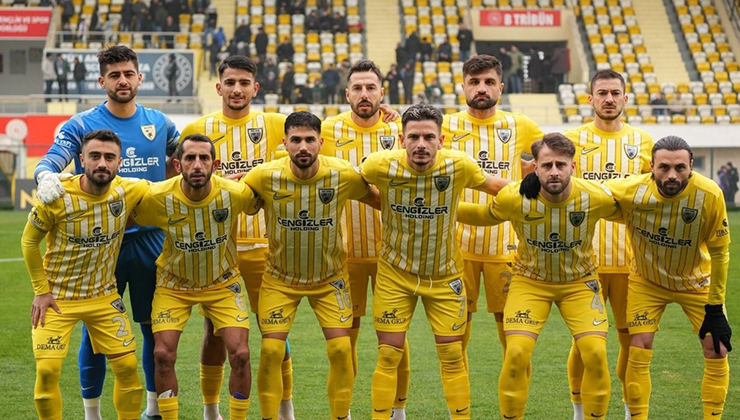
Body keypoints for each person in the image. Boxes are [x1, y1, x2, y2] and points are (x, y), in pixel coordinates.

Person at [33, 46, 180, 420]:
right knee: (96, 332)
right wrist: (45, 176)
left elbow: (187, 158)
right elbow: (52, 159)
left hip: (150, 240)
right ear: (102, 81)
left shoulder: (160, 122)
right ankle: (92, 414)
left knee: (152, 329)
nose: (123, 81)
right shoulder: (81, 124)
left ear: (139, 78)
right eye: (114, 75)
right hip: (100, 244)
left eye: (128, 74)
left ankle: (152, 409)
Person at [361, 104, 510, 420]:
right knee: (388, 354)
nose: (421, 144)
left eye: (429, 137)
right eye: (414, 137)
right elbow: (349, 182)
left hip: (444, 276)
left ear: (441, 140)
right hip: (394, 274)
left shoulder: (459, 165)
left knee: (453, 355)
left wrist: (543, 192)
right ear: (401, 139)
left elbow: (497, 187)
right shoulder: (379, 165)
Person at [458, 133, 620, 419]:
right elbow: (483, 215)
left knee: (595, 352)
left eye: (560, 164)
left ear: (573, 166)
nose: (554, 171)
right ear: (535, 167)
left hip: (580, 283)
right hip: (529, 282)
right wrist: (438, 207)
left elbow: (630, 209)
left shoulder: (594, 196)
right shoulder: (514, 196)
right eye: (547, 165)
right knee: (516, 353)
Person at [180, 55, 296, 420]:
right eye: (230, 82)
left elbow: (327, 134)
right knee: (214, 332)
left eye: (244, 83)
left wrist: (385, 115)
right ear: (219, 87)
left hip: (265, 248)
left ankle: (285, 408)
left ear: (255, 88)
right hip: (218, 251)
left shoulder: (274, 123)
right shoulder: (198, 127)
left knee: (274, 332)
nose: (236, 89)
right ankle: (211, 410)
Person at [243, 111, 380, 420]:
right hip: (280, 280)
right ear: (284, 143)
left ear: (321, 142)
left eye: (309, 140)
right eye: (296, 140)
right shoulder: (264, 175)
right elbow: (235, 196)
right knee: (271, 351)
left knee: (341, 350)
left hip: (330, 280)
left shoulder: (342, 174)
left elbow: (378, 200)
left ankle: (340, 417)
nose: (302, 147)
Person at [131, 134, 261, 420]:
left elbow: (261, 200)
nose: (198, 165)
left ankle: (218, 414)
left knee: (240, 354)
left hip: (223, 283)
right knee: (163, 355)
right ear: (178, 165)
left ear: (216, 164)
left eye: (204, 158)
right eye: (190, 158)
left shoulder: (235, 193)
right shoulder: (158, 197)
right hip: (174, 285)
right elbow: (126, 215)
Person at [22, 129, 147, 420]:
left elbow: (173, 189)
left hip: (103, 297)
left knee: (127, 368)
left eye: (109, 157)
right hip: (57, 299)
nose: (102, 163)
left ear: (119, 163)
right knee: (47, 370)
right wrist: (41, 291)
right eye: (95, 156)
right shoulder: (57, 195)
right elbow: (29, 242)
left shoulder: (129, 190)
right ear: (81, 160)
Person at [605, 136, 732, 420]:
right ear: (651, 167)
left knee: (718, 348)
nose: (672, 175)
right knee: (639, 347)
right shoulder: (631, 189)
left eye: (679, 168)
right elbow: (585, 192)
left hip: (696, 283)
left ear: (691, 166)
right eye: (664, 167)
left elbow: (720, 253)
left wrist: (715, 306)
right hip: (647, 282)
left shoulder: (710, 194)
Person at [320, 59, 409, 419]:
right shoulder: (327, 130)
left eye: (371, 87)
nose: (364, 94)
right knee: (344, 343)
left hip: (393, 257)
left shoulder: (400, 129)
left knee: (395, 341)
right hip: (344, 256)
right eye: (357, 88)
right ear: (346, 94)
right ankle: (343, 413)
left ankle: (398, 412)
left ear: (382, 92)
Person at [442, 54, 543, 369]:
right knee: (456, 338)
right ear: (463, 87)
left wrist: (527, 171)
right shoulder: (445, 125)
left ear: (501, 87)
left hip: (507, 245)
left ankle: (515, 400)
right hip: (457, 246)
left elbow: (554, 159)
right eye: (474, 82)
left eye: (489, 82)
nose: (481, 88)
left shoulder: (519, 124)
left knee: (514, 340)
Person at [564, 69, 654, 420]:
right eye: (602, 93)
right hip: (584, 261)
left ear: (625, 98)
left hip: (632, 262)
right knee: (585, 342)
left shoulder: (643, 141)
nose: (609, 99)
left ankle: (632, 411)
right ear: (590, 99)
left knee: (632, 342)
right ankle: (579, 411)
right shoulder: (572, 139)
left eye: (615, 93)